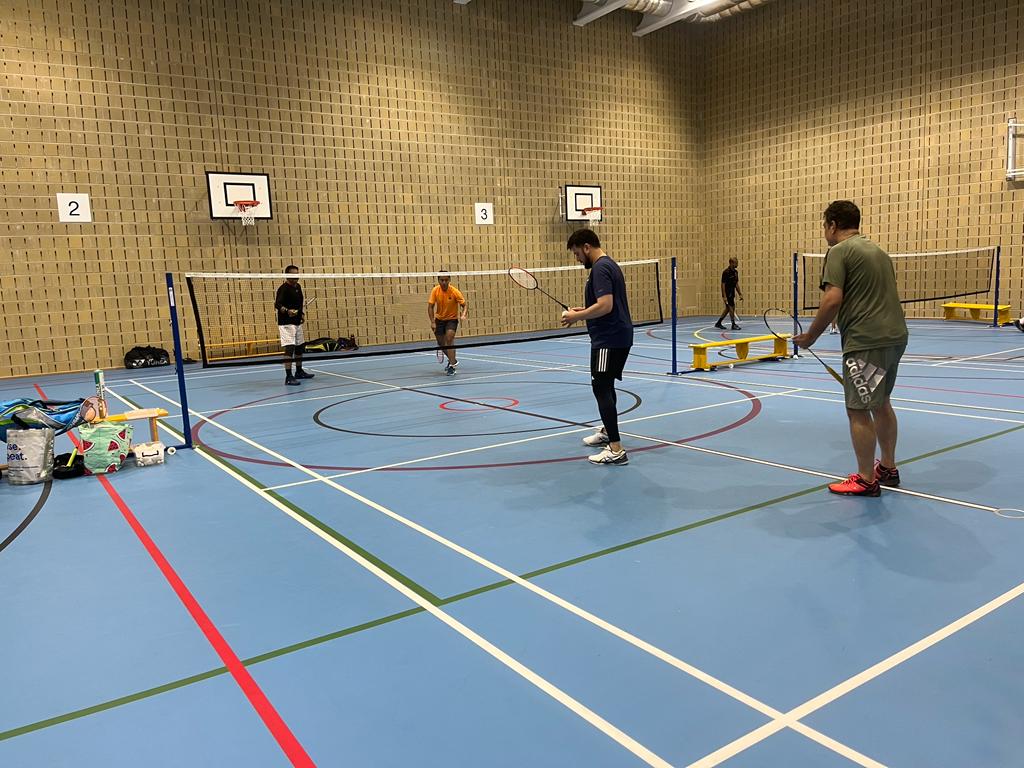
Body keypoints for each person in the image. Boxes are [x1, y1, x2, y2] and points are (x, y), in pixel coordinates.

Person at [793, 201, 908, 496]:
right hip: (895, 336)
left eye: (824, 226)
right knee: (881, 402)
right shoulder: (879, 252)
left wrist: (811, 336)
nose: (824, 232)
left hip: (866, 340)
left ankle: (866, 479)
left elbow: (832, 299)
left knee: (858, 409)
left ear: (832, 225)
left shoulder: (838, 251)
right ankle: (888, 467)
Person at [562, 229, 633, 466]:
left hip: (608, 340)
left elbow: (605, 305)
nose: (577, 259)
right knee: (606, 386)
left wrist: (576, 317)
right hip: (616, 336)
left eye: (576, 253)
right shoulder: (609, 265)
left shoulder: (600, 268)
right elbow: (602, 306)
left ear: (586, 247)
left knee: (600, 387)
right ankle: (607, 431)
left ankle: (616, 449)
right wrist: (583, 311)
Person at [275, 265, 314, 386]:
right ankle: (288, 376)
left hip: (297, 322)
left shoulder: (298, 287)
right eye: (293, 274)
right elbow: (277, 304)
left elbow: (299, 304)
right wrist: (287, 311)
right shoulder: (283, 289)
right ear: (287, 275)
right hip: (286, 323)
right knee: (290, 348)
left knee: (300, 347)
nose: (296, 277)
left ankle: (299, 371)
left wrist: (301, 314)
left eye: (297, 274)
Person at [428, 271, 468, 376]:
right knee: (442, 344)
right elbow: (430, 307)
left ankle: (452, 366)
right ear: (438, 281)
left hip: (451, 319)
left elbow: (464, 305)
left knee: (449, 339)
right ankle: (452, 360)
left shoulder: (455, 291)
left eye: (446, 280)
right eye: (442, 280)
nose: (444, 282)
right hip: (439, 320)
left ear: (449, 280)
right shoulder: (435, 290)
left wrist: (463, 314)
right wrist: (432, 322)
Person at [714, 257, 743, 330]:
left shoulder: (736, 272)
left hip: (732, 292)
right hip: (727, 293)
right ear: (731, 263)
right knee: (731, 307)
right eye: (736, 263)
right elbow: (723, 284)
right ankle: (733, 324)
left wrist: (740, 293)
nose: (737, 264)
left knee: (728, 308)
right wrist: (724, 296)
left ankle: (718, 323)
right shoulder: (726, 272)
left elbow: (736, 284)